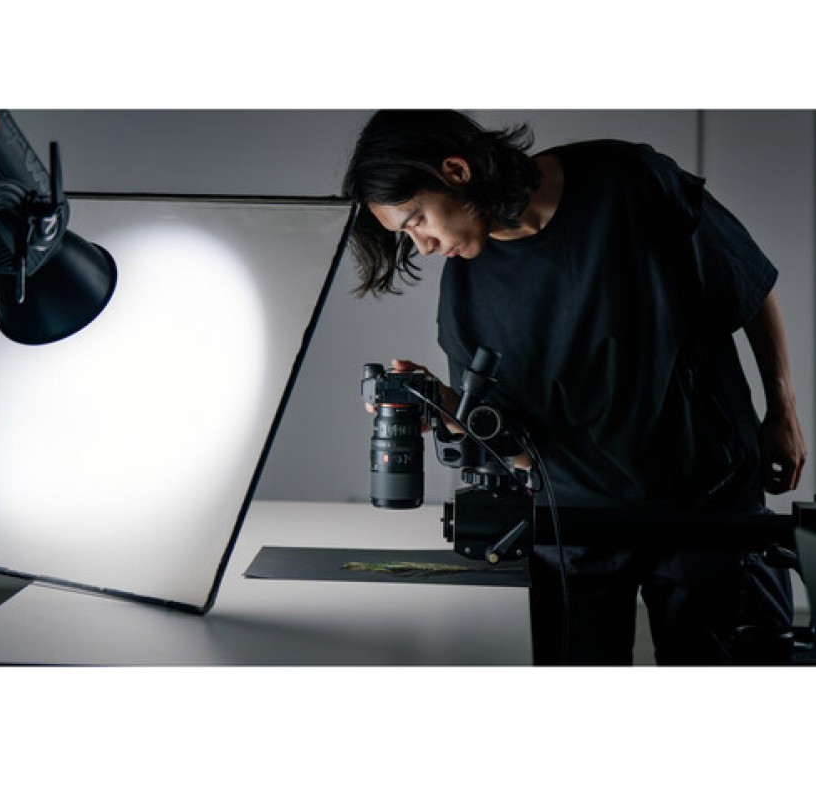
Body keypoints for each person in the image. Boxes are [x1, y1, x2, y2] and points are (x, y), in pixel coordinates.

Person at [342, 109, 808, 665]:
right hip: (574, 528)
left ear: (457, 171)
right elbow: (520, 452)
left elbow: (748, 282)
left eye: (416, 219)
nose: (421, 245)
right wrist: (443, 406)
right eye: (406, 235)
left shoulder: (627, 180)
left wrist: (783, 410)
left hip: (707, 505)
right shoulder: (465, 293)